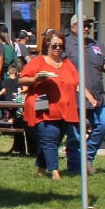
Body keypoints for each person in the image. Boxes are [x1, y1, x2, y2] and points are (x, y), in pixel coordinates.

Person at [20, 30, 81, 179]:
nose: (57, 48)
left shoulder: (67, 64)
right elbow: (21, 80)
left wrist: (90, 98)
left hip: (64, 110)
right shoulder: (38, 62)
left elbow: (77, 83)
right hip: (42, 106)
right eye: (54, 45)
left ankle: (41, 171)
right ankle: (55, 172)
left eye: (60, 46)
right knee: (50, 137)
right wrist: (36, 79)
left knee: (53, 140)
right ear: (47, 45)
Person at [64, 16, 105, 175]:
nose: (87, 28)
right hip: (75, 98)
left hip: (97, 97)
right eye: (83, 25)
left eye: (88, 25)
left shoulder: (96, 45)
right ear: (73, 26)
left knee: (104, 125)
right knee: (75, 135)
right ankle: (74, 167)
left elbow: (104, 67)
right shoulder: (67, 44)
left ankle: (87, 157)